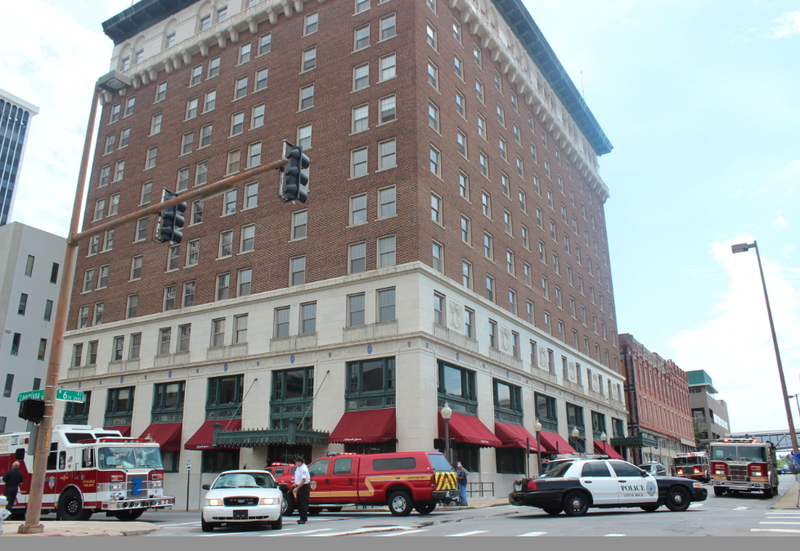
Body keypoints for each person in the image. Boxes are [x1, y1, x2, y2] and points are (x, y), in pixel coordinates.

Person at [292, 456, 311, 524]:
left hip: (303, 487)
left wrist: (297, 488)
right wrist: (295, 483)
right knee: (299, 503)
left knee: (303, 503)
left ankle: (303, 518)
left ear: (300, 462)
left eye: (296, 462)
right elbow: (298, 478)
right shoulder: (298, 468)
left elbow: (303, 479)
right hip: (300, 486)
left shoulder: (304, 468)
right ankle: (302, 517)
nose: (295, 463)